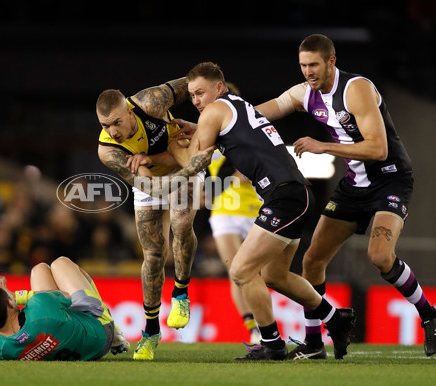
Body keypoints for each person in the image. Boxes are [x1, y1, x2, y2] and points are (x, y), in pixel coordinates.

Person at [145, 61, 356, 361]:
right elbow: (222, 139)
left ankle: (272, 344)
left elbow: (193, 164)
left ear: (219, 87)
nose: (196, 101)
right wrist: (166, 151)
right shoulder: (238, 106)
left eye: (200, 93)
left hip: (284, 197)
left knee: (241, 270)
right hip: (296, 194)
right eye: (192, 96)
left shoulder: (215, 110)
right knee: (275, 275)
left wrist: (166, 151)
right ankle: (336, 318)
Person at [254, 33, 436, 358]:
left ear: (331, 61)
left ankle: (430, 316)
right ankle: (314, 343)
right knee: (313, 260)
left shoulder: (356, 89)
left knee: (380, 256)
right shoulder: (304, 93)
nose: (308, 72)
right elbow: (261, 113)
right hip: (354, 186)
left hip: (390, 181)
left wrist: (322, 145)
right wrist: (218, 121)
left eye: (314, 64)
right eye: (303, 65)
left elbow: (379, 147)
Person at [96, 78, 203, 360]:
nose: (112, 131)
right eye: (105, 126)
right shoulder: (108, 150)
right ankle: (151, 332)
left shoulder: (150, 101)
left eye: (116, 122)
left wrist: (208, 122)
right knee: (154, 255)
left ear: (129, 111)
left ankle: (180, 293)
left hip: (182, 160)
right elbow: (151, 187)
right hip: (158, 179)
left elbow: (193, 83)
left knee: (181, 224)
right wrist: (159, 163)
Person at [0, 256, 130, 361]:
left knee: (39, 270)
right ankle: (113, 328)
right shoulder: (39, 307)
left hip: (74, 343)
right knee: (60, 263)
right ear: (9, 303)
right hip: (100, 335)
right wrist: (17, 296)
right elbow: (66, 295)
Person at [203, 82, 263, 344]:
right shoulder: (207, 134)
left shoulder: (252, 132)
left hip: (255, 210)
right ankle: (253, 328)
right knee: (235, 272)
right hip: (224, 211)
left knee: (258, 273)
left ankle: (265, 325)